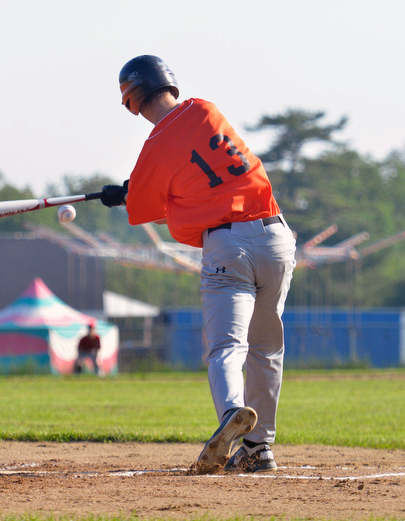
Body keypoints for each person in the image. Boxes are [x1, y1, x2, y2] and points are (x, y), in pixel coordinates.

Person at [100, 56, 297, 473]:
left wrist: (125, 194)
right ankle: (259, 448)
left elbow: (145, 210)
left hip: (228, 245)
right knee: (266, 347)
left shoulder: (153, 148)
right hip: (277, 237)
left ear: (132, 101)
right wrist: (139, 189)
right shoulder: (207, 109)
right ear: (169, 82)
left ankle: (231, 414)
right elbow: (205, 168)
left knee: (227, 346)